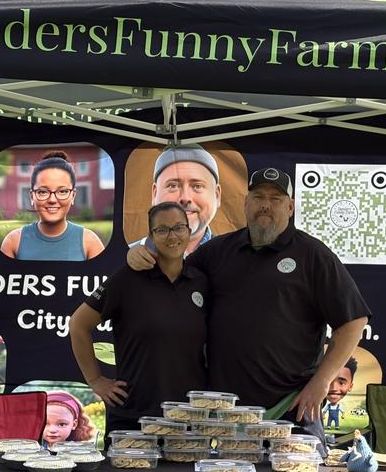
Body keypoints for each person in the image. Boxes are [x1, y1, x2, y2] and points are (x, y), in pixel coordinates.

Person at [129, 166, 370, 451]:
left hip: (291, 409)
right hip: (226, 416)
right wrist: (140, 252)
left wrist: (322, 382)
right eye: (258, 197)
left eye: (276, 199)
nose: (265, 205)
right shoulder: (217, 252)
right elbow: (172, 270)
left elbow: (353, 321)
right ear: (245, 203)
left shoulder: (313, 255)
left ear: (290, 207)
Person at [72, 202, 209, 434]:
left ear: (188, 231)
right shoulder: (127, 279)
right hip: (134, 416)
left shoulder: (202, 282)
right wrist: (95, 380)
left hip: (188, 418)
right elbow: (78, 324)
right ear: (151, 236)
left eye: (179, 227)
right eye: (162, 230)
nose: (172, 236)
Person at [1, 151, 105, 261]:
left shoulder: (90, 242)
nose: (52, 200)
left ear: (73, 196)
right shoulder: (13, 242)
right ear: (32, 196)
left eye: (62, 191)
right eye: (43, 192)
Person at [129, 144, 221, 256]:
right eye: (173, 186)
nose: (185, 198)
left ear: (217, 195)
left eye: (197, 186)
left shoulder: (234, 259)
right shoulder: (122, 258)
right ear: (155, 193)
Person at [324, 357, 357, 428]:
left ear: (350, 386)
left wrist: (343, 415)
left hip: (335, 417)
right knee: (329, 421)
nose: (333, 388)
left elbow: (342, 411)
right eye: (328, 381)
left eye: (341, 383)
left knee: (336, 421)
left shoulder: (339, 406)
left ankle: (336, 426)